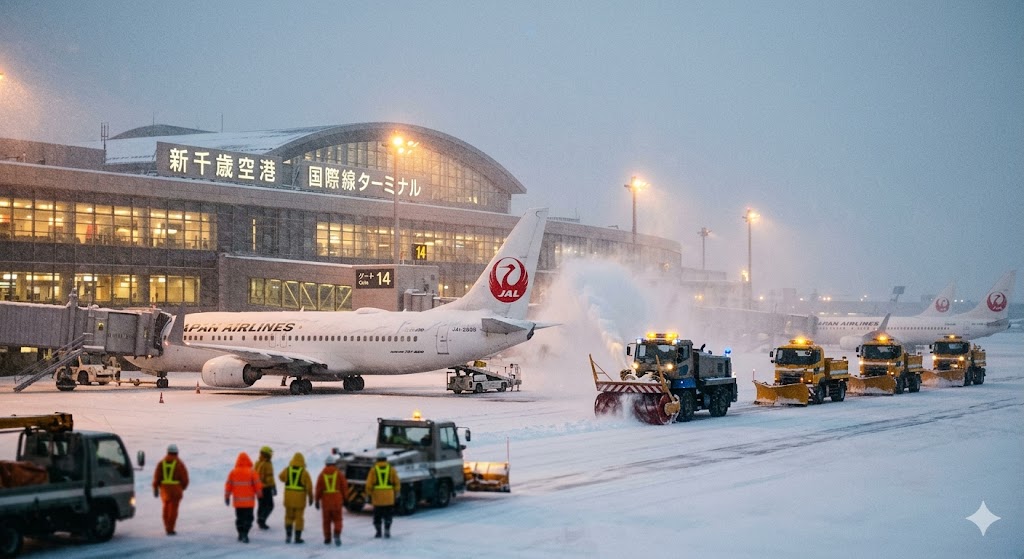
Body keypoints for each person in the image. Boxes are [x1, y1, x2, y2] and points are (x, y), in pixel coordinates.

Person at [225, 451, 263, 543]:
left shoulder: (233, 472)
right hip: (249, 502)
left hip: (238, 502)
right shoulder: (252, 472)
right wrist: (260, 495)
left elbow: (228, 485)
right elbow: (257, 485)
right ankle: (245, 533)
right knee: (249, 518)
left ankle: (240, 533)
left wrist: (227, 497)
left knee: (239, 518)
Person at [152, 443, 189, 536]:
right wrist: (182, 487)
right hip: (176, 490)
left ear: (168, 452)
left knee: (165, 508)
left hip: (164, 490)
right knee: (173, 510)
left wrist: (155, 488)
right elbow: (185, 479)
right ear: (176, 453)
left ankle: (166, 526)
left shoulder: (161, 463)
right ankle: (170, 529)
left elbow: (157, 477)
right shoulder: (179, 463)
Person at [278, 452, 313, 544]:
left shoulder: (287, 470)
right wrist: (311, 497)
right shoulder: (305, 473)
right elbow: (309, 487)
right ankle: (297, 538)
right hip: (300, 501)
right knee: (299, 518)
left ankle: (288, 536)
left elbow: (280, 477)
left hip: (288, 499)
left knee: (288, 517)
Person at [314, 455, 349, 546]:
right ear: (334, 463)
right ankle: (337, 533)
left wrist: (317, 500)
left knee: (326, 521)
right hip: (337, 500)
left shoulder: (322, 474)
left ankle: (327, 538)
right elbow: (344, 487)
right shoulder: (339, 474)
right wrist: (346, 498)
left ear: (326, 464)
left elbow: (318, 489)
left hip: (326, 501)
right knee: (337, 519)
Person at [366, 450, 400, 538]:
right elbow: (397, 482)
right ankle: (387, 530)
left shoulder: (373, 470)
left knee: (377, 517)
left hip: (377, 499)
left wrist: (369, 494)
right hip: (389, 498)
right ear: (386, 459)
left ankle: (378, 532)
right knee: (388, 516)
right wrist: (396, 492)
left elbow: (369, 484)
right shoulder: (391, 469)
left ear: (377, 460)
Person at [253, 446, 276, 530]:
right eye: (270, 453)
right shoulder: (266, 464)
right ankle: (261, 520)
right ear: (266, 454)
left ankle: (260, 520)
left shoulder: (258, 463)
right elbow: (269, 477)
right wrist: (273, 486)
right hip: (266, 488)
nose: (271, 455)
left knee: (261, 505)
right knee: (270, 505)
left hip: (259, 488)